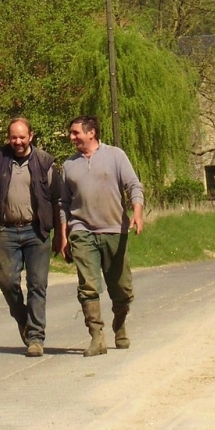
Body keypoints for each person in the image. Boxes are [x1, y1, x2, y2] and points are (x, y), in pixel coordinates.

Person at [54, 115, 144, 356]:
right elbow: (63, 203)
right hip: (82, 231)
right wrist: (63, 235)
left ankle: (120, 323)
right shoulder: (69, 165)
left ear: (91, 132)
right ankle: (97, 337)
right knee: (88, 286)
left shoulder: (116, 156)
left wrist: (137, 212)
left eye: (75, 133)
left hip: (115, 229)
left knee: (122, 288)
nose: (71, 137)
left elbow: (134, 186)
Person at [0, 117, 61, 357]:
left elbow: (57, 201)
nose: (17, 141)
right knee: (7, 281)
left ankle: (35, 337)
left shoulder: (45, 162)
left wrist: (59, 234)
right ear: (9, 137)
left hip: (37, 231)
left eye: (22, 137)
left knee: (38, 285)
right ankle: (23, 318)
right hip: (6, 230)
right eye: (13, 137)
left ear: (31, 136)